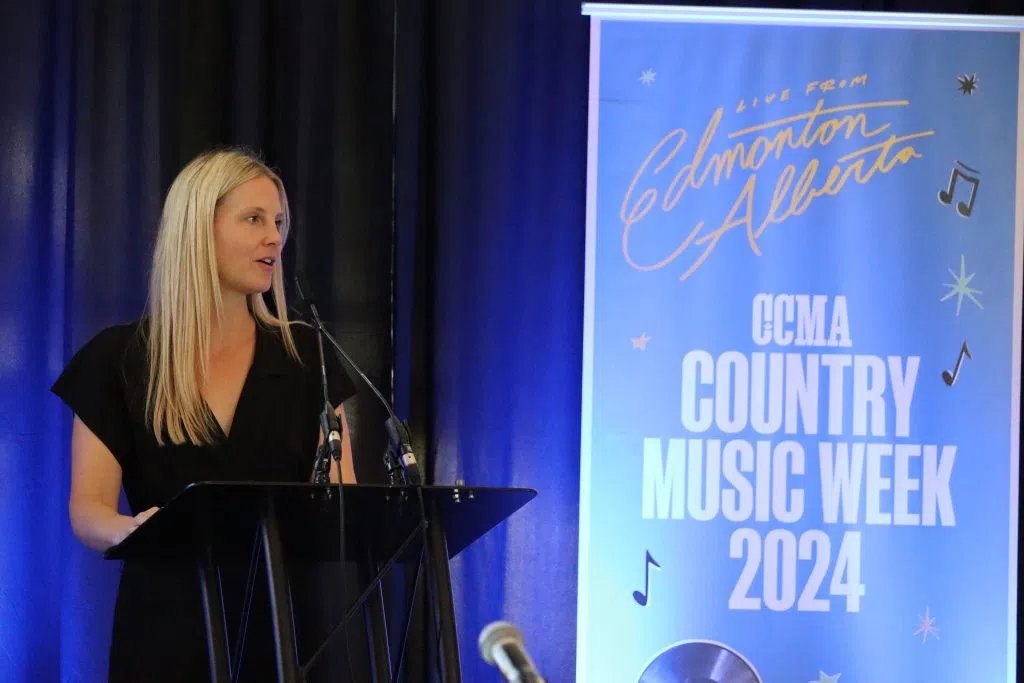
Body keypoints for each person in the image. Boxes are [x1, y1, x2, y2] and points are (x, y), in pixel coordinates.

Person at [51, 148, 358, 682]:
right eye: (254, 219)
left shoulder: (307, 357)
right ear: (198, 230)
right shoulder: (118, 359)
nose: (274, 238)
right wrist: (131, 528)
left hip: (286, 628)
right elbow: (88, 509)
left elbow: (344, 500)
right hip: (169, 624)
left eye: (279, 222)